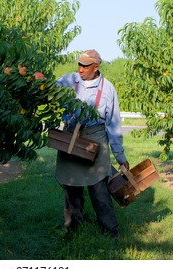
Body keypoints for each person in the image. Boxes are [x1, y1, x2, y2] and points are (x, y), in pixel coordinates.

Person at [55, 49, 129, 238]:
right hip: (71, 137)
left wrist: (120, 156)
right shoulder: (69, 81)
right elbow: (48, 90)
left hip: (95, 138)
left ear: (96, 67)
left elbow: (113, 124)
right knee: (71, 186)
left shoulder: (107, 89)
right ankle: (73, 227)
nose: (80, 69)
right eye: (79, 64)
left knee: (99, 188)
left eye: (85, 66)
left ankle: (111, 231)